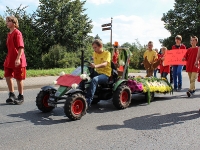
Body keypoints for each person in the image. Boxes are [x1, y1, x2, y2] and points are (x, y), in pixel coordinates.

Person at [4, 16, 27, 105]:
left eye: (8, 21)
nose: (7, 23)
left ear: (14, 23)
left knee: (18, 78)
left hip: (18, 59)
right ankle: (12, 94)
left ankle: (20, 96)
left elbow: (21, 48)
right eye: (6, 21)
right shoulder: (9, 34)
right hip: (9, 59)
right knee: (7, 76)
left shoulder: (17, 33)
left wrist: (18, 59)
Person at [86, 39, 111, 107]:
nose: (94, 49)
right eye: (93, 47)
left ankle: (88, 101)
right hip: (97, 72)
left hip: (105, 75)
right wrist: (91, 65)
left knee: (94, 80)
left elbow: (105, 64)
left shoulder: (107, 53)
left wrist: (95, 66)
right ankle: (79, 93)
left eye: (95, 47)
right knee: (83, 76)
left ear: (100, 46)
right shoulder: (94, 53)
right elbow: (94, 62)